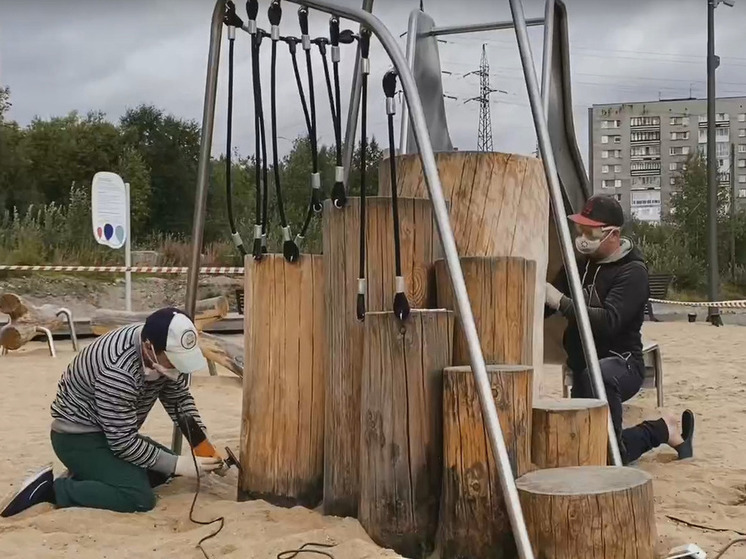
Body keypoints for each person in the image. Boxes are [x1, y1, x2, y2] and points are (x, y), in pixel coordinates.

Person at [1, 307, 224, 518]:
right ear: (148, 347)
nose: (178, 367)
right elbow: (123, 443)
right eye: (173, 360)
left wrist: (203, 446)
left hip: (114, 431)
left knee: (161, 472)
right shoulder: (118, 371)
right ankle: (51, 490)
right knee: (137, 498)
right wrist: (178, 464)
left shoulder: (162, 347)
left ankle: (91, 474)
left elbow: (180, 401)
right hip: (78, 437)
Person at [545, 194, 694, 465]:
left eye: (590, 231)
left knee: (610, 457)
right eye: (580, 230)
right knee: (589, 451)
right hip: (584, 369)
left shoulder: (633, 272)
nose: (582, 237)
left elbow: (609, 321)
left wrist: (562, 302)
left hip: (620, 366)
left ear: (612, 234)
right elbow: (545, 306)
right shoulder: (579, 266)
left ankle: (662, 428)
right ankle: (662, 431)